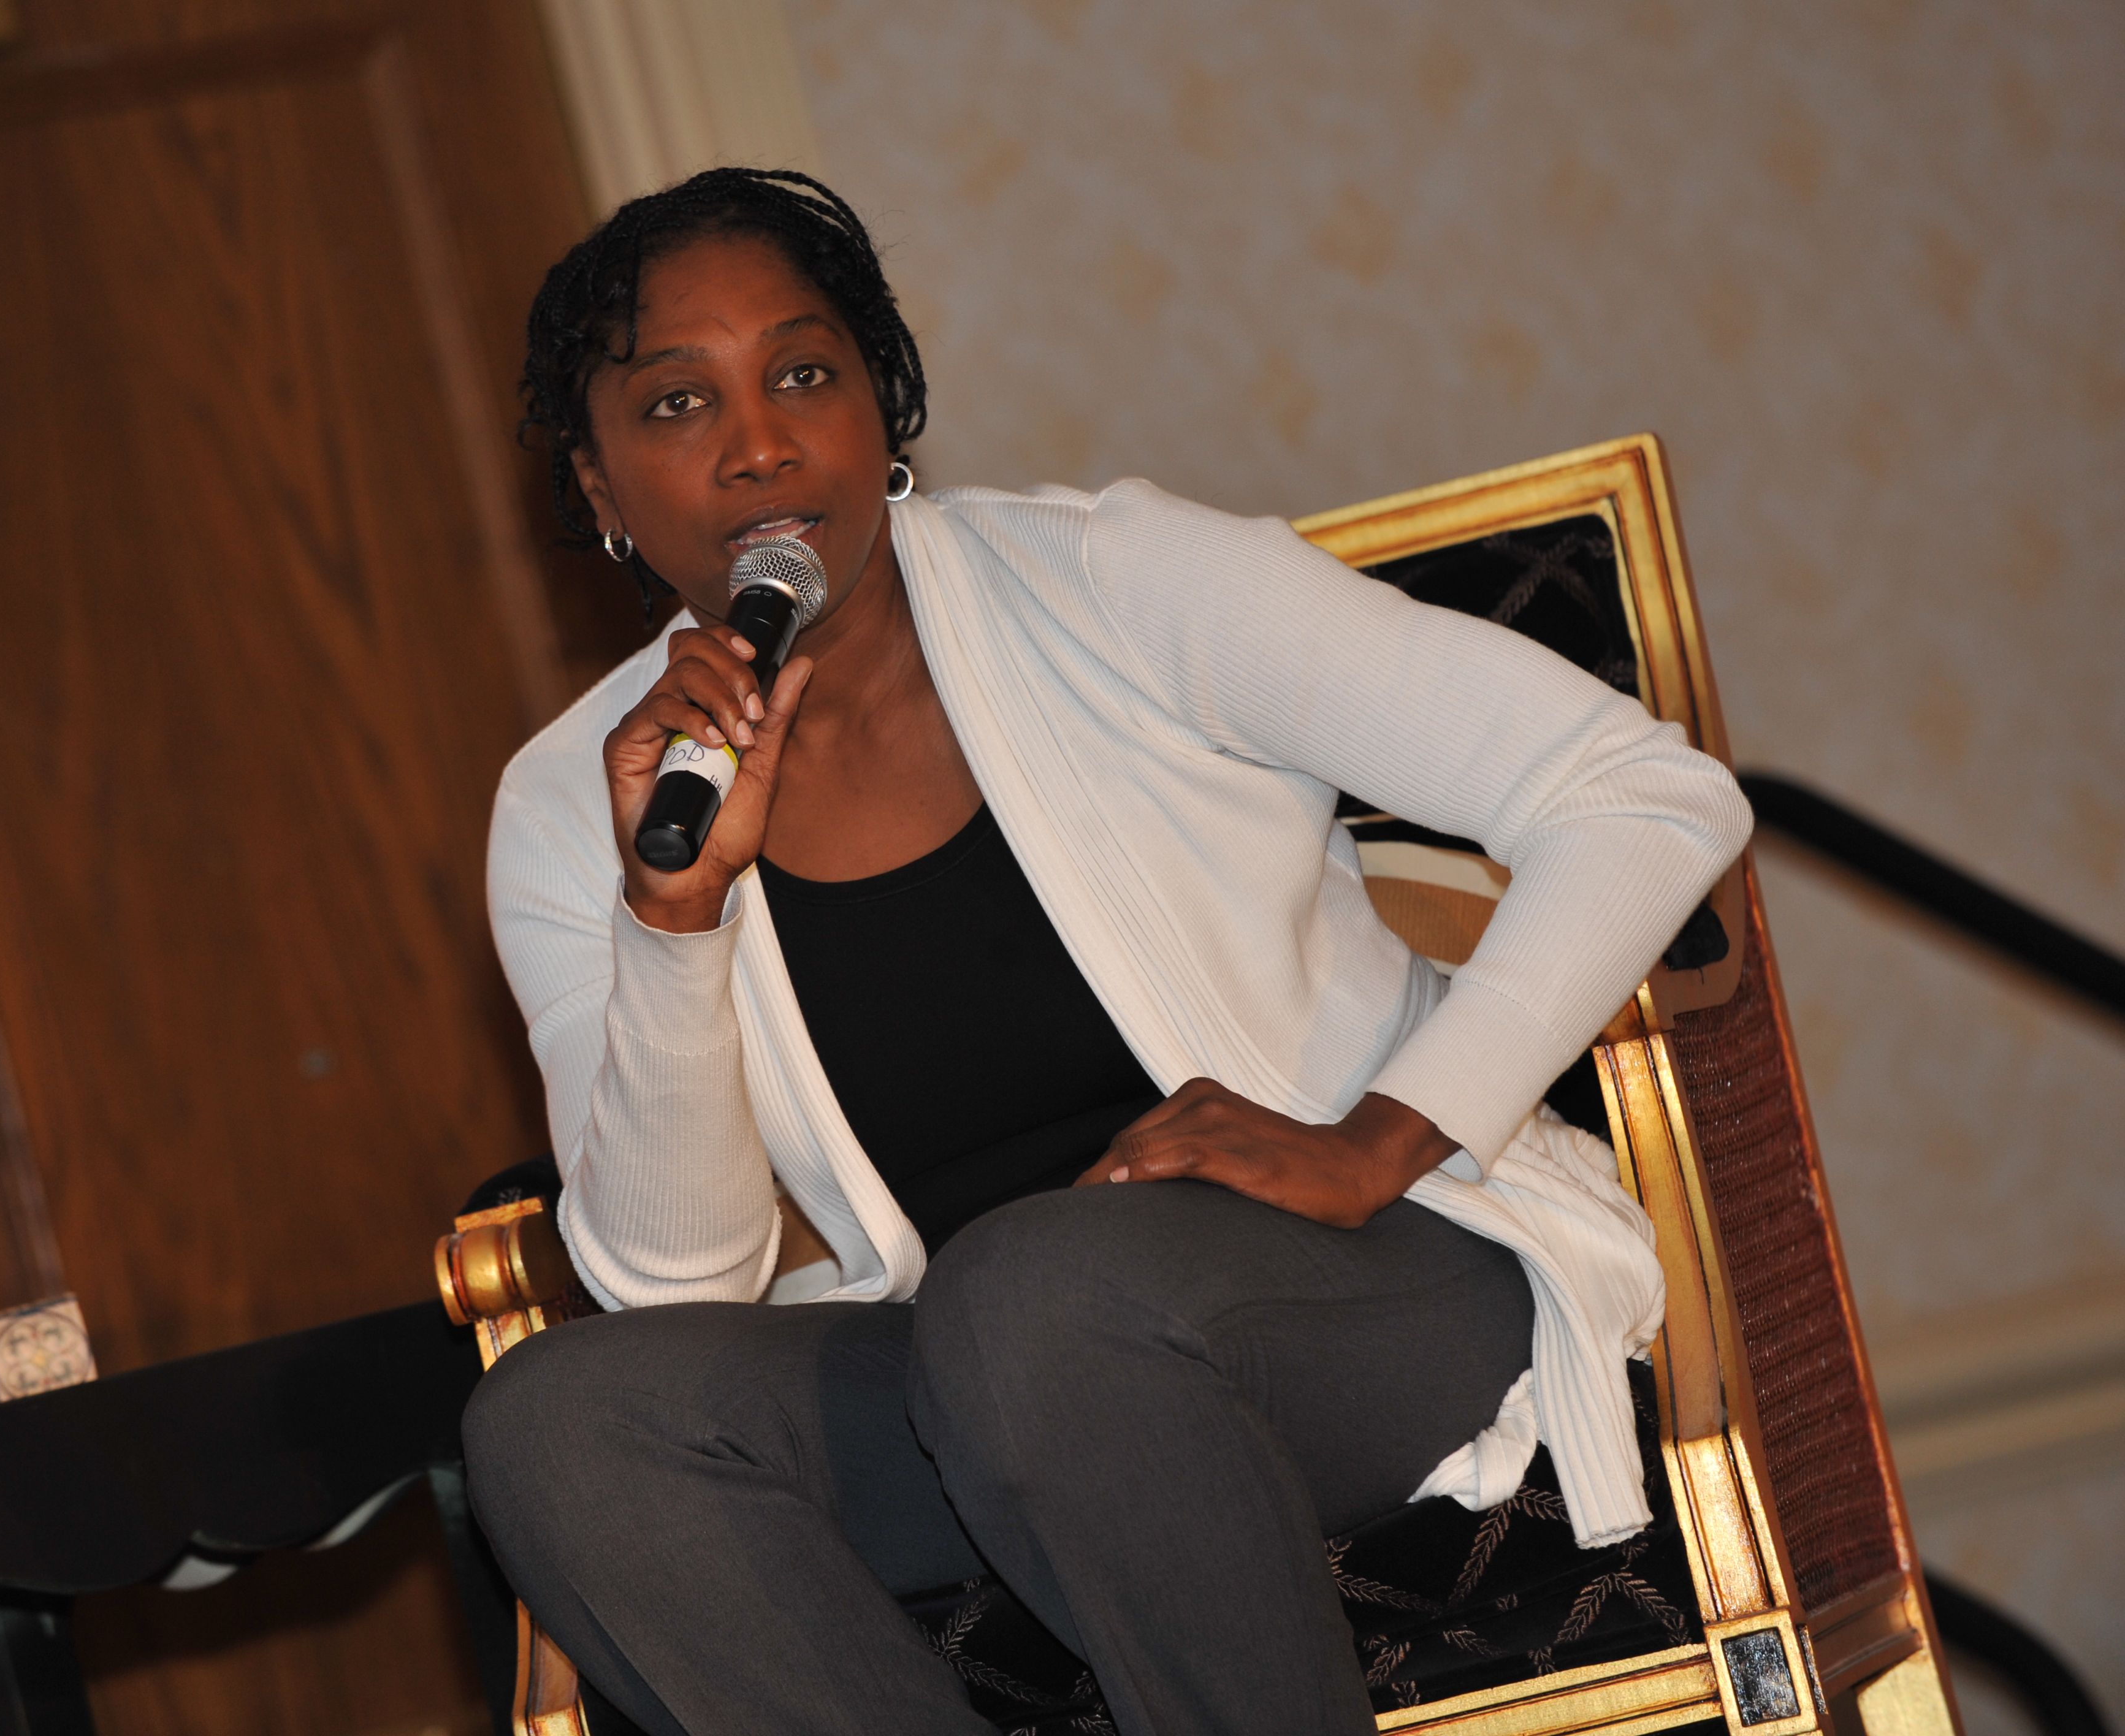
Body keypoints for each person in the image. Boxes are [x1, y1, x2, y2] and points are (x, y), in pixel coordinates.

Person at [463, 167, 1749, 1736]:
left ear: (885, 408)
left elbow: (1640, 795)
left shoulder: (1116, 585)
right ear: (598, 490)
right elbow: (678, 1290)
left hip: (1371, 1289)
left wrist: (1373, 1143)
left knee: (1036, 1298)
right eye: (676, 404)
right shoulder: (572, 801)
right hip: (973, 1383)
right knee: (561, 1425)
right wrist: (676, 924)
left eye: (805, 373)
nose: (759, 443)